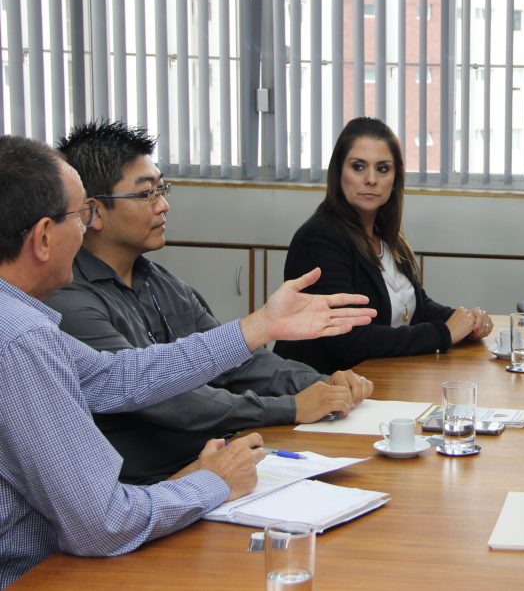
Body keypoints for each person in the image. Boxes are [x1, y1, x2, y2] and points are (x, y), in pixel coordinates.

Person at [0, 136, 375, 587]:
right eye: (79, 217)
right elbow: (103, 523)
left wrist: (259, 327)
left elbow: (118, 376)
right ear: (43, 236)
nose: (84, 230)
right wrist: (214, 482)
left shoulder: (24, 323)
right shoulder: (21, 339)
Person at [44, 120, 375, 485]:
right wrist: (291, 407)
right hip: (153, 487)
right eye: (146, 194)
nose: (163, 205)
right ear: (92, 212)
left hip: (215, 462)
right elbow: (159, 396)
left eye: (162, 188)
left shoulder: (158, 280)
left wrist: (322, 385)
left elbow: (236, 361)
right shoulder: (68, 299)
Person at [274, 117, 493, 372]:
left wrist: (466, 321)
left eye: (382, 168)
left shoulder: (387, 237)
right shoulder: (320, 238)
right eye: (358, 167)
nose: (371, 179)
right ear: (338, 173)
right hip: (318, 390)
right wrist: (443, 333)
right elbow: (348, 340)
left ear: (395, 177)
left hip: (375, 382)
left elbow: (416, 307)